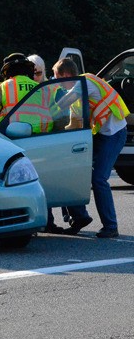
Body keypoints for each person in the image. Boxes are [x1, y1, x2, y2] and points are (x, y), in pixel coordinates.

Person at [53, 58, 129, 238]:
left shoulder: (84, 82)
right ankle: (79, 217)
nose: (58, 84)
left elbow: (61, 105)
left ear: (66, 75)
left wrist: (46, 103)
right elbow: (72, 120)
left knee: (99, 179)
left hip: (115, 133)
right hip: (103, 134)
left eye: (58, 79)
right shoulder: (78, 89)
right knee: (71, 171)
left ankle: (111, 226)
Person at [27, 54, 66, 234]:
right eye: (32, 72)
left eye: (39, 73)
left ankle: (48, 221)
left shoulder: (51, 89)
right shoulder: (21, 88)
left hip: (46, 140)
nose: (35, 76)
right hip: (27, 140)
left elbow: (59, 114)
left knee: (46, 181)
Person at [0, 53, 41, 128]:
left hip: (10, 136)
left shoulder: (3, 87)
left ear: (7, 72)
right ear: (29, 70)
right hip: (44, 135)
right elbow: (57, 118)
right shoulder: (42, 88)